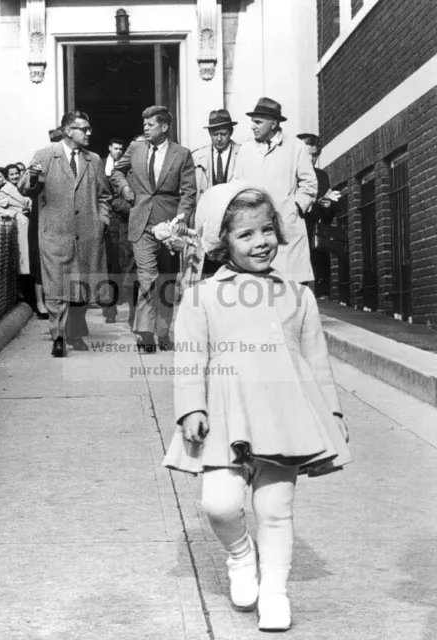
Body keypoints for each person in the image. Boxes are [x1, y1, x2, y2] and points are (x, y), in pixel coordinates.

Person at [163, 181, 351, 632]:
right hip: (225, 411)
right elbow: (190, 357)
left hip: (285, 416)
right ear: (222, 241)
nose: (260, 241)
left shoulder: (298, 295)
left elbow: (316, 360)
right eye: (245, 234)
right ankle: (240, 555)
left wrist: (334, 414)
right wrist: (191, 407)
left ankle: (275, 594)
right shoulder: (202, 295)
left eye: (267, 230)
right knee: (220, 505)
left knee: (275, 509)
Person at [18, 109, 112, 357]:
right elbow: (26, 189)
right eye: (84, 129)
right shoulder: (46, 155)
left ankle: (76, 333)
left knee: (80, 287)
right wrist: (32, 177)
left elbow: (104, 195)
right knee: (57, 286)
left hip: (88, 234)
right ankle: (58, 337)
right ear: (69, 131)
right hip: (55, 234)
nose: (89, 133)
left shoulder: (94, 160)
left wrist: (102, 220)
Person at [111, 105, 197, 353]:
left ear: (165, 127)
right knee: (147, 278)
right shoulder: (136, 149)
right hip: (141, 223)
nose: (145, 128)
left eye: (150, 124)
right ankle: (145, 334)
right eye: (144, 124)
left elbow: (189, 191)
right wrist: (125, 189)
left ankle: (163, 332)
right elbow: (117, 171)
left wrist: (181, 218)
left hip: (169, 225)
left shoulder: (181, 154)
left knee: (167, 280)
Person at [234, 97, 317, 285]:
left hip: (287, 223)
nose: (253, 126)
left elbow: (309, 183)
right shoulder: (246, 149)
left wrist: (295, 207)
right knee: (258, 283)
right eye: (253, 122)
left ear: (273, 123)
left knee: (290, 284)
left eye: (258, 122)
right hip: (254, 221)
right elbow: (237, 184)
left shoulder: (296, 146)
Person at [183, 109, 241, 288]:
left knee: (232, 266)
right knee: (204, 269)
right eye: (215, 134)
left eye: (223, 134)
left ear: (230, 132)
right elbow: (189, 192)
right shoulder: (196, 156)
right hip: (206, 221)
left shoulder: (243, 154)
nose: (219, 139)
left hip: (232, 219)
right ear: (209, 134)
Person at [297, 133, 341, 297]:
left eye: (314, 155)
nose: (310, 160)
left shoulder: (321, 176)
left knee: (316, 292)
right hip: (292, 238)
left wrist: (328, 205)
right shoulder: (287, 175)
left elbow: (328, 217)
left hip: (313, 239)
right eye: (306, 155)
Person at [0, 164, 31, 276]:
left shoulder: (24, 187)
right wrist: (13, 213)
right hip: (18, 226)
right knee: (21, 255)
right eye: (11, 174)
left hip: (28, 222)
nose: (15, 176)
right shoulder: (6, 190)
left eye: (16, 173)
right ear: (7, 177)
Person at [101, 137, 125, 324]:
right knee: (108, 264)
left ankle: (117, 301)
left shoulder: (125, 166)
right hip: (104, 220)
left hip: (121, 221)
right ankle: (109, 307)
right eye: (115, 148)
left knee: (120, 263)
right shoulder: (100, 165)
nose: (118, 151)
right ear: (109, 148)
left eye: (120, 149)